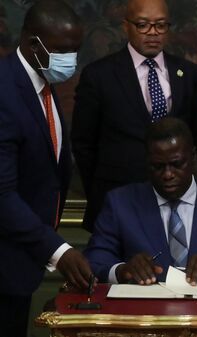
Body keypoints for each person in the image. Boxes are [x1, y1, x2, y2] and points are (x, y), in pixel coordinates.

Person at [0, 1, 93, 336]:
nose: (69, 60)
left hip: (19, 264)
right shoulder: (4, 91)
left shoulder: (41, 84)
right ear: (32, 42)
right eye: (62, 50)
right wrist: (57, 249)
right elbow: (2, 194)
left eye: (75, 50)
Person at [71, 0, 197, 232]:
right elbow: (84, 144)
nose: (153, 33)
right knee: (117, 268)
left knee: (173, 268)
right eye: (143, 25)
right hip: (116, 200)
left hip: (175, 203)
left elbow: (193, 135)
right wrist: (101, 190)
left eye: (161, 25)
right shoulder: (99, 76)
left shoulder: (190, 74)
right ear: (126, 26)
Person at [84, 117, 197, 285]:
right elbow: (93, 262)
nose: (168, 174)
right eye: (158, 166)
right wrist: (121, 271)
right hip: (144, 316)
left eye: (177, 164)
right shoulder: (120, 204)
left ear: (193, 158)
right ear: (147, 162)